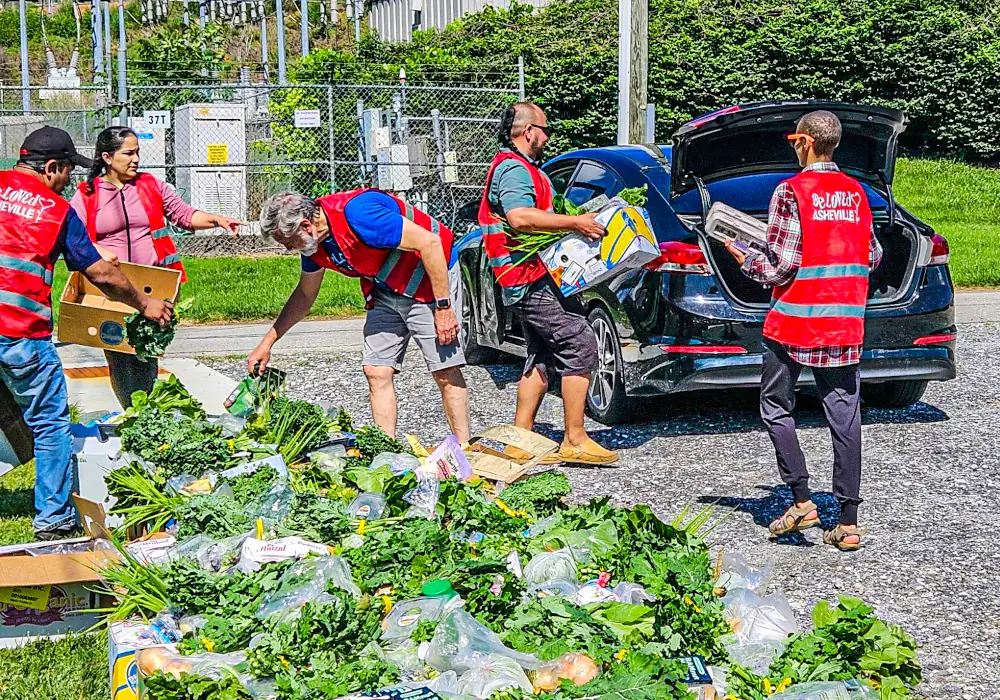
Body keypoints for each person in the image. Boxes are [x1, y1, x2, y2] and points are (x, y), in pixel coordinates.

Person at [0, 126, 173, 540]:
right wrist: (145, 303)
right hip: (19, 332)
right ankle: (53, 521)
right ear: (52, 167)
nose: (70, 181)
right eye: (66, 173)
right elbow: (100, 273)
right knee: (50, 423)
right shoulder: (55, 210)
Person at [724, 111, 883, 551]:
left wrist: (746, 259)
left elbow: (780, 265)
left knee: (776, 405)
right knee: (845, 414)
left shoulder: (791, 192)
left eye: (794, 139)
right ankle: (847, 522)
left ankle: (801, 499)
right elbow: (872, 255)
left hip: (794, 320)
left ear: (807, 142)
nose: (792, 146)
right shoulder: (857, 192)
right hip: (845, 320)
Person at [248, 189, 471, 443]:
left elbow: (430, 243)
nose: (288, 249)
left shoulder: (360, 215)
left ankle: (465, 452)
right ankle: (386, 450)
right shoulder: (315, 245)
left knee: (445, 369)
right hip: (385, 287)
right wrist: (267, 343)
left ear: (306, 226)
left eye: (287, 242)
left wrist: (444, 308)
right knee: (376, 370)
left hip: (428, 280)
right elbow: (304, 296)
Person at [480, 102, 619, 466]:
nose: (547, 138)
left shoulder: (518, 167)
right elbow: (520, 217)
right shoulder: (513, 171)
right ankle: (574, 438)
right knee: (579, 340)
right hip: (526, 278)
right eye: (546, 130)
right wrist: (575, 224)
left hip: (530, 276)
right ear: (529, 132)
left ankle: (521, 440)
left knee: (542, 355)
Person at [69, 126, 243, 410]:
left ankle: (143, 409)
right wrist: (97, 250)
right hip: (110, 289)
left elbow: (184, 215)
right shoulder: (87, 194)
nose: (136, 158)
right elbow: (75, 236)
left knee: (147, 351)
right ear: (107, 157)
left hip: (152, 286)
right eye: (129, 153)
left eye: (137, 151)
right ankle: (133, 410)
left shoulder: (151, 185)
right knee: (119, 354)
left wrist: (216, 220)